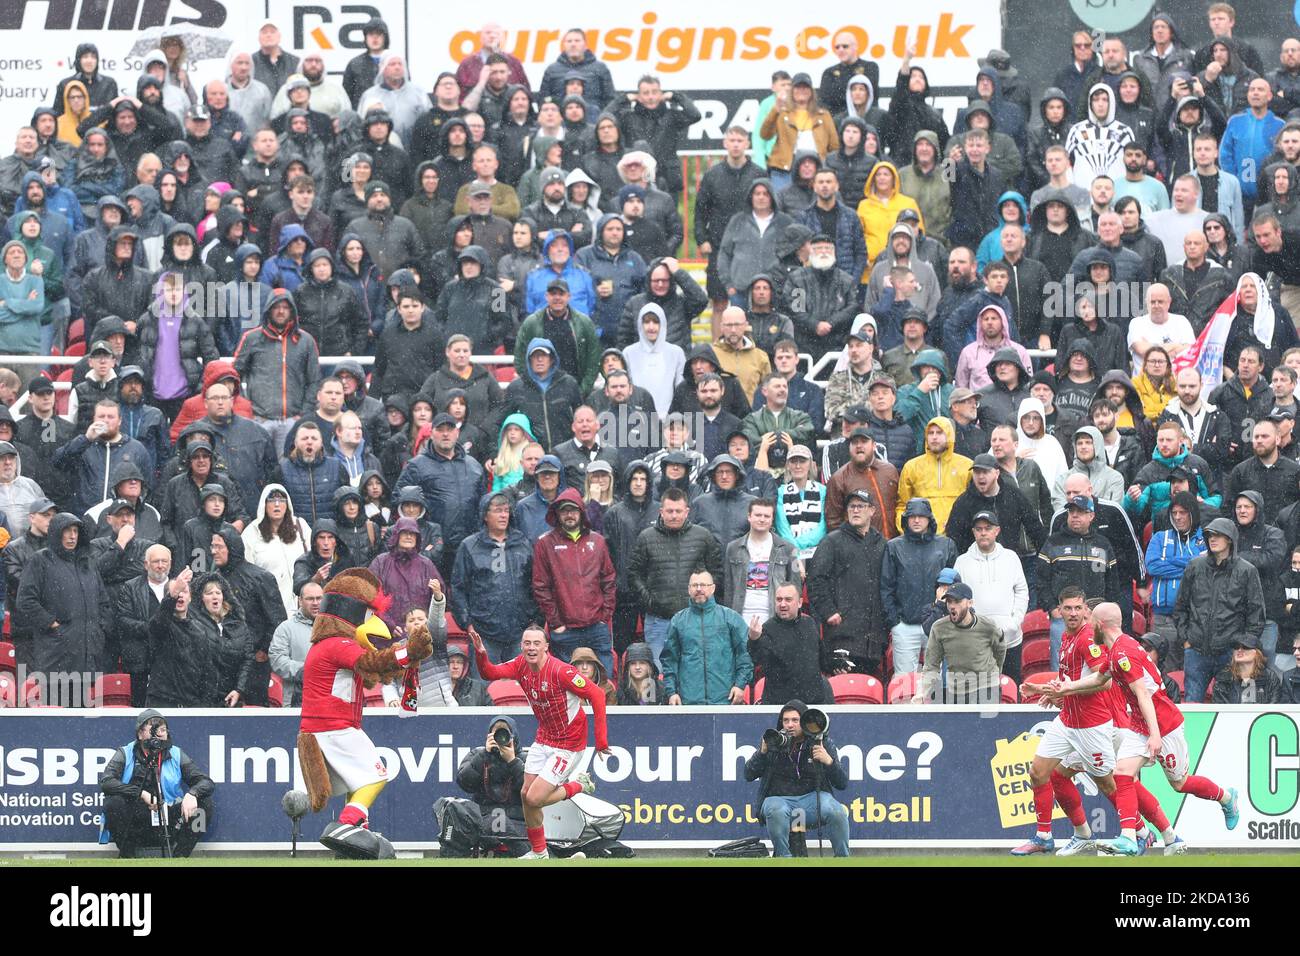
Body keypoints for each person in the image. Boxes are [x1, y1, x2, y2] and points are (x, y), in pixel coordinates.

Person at [471, 625, 609, 860]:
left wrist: (601, 740)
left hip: (568, 744)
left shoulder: (561, 672)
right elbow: (489, 673)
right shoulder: (520, 665)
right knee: (526, 795)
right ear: (521, 646)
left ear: (546, 646)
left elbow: (596, 694)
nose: (531, 648)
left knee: (535, 798)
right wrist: (481, 652)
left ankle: (578, 785)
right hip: (544, 738)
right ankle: (539, 853)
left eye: (536, 643)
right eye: (527, 643)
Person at [1011, 589, 1121, 856]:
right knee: (1039, 772)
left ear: (1086, 610)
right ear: (1058, 610)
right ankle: (1046, 836)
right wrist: (1049, 693)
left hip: (1091, 725)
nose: (1073, 613)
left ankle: (1139, 831)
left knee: (1109, 784)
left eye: (1078, 608)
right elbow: (1067, 683)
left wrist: (1062, 692)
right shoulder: (1065, 637)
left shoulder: (1087, 640)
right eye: (1067, 608)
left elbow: (1102, 682)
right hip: (1067, 719)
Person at [98, 710, 214, 859]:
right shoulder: (125, 753)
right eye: (153, 730)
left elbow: (206, 782)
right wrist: (141, 793)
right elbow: (106, 782)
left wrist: (193, 794)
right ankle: (129, 858)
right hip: (136, 819)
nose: (159, 734)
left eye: (162, 730)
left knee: (205, 803)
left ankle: (180, 857)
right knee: (113, 803)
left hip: (169, 816)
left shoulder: (176, 753)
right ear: (140, 734)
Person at [628, 488, 723, 667]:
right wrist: (650, 601)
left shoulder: (703, 537)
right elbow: (634, 574)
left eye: (678, 511)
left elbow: (716, 572)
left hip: (696, 619)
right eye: (669, 511)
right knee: (658, 671)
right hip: (658, 620)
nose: (674, 515)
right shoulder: (646, 537)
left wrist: (704, 599)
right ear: (661, 511)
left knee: (694, 669)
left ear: (687, 512)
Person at [744, 699, 851, 858]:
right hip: (780, 800)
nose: (790, 725)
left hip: (813, 801)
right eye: (786, 720)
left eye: (795, 720)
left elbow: (842, 783)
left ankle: (843, 859)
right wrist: (762, 752)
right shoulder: (774, 740)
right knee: (775, 809)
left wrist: (828, 761)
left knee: (837, 811)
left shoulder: (821, 742)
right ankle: (784, 858)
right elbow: (748, 775)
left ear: (805, 721)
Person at [530, 488, 616, 672]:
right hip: (565, 630)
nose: (569, 515)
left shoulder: (598, 541)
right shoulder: (545, 544)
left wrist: (604, 616)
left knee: (604, 685)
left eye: (573, 510)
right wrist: (556, 623)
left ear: (581, 512)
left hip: (596, 627)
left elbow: (608, 580)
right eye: (564, 511)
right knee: (568, 688)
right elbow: (540, 587)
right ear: (557, 514)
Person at [808, 489, 887, 674]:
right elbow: (815, 580)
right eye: (852, 506)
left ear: (872, 511)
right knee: (842, 692)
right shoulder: (832, 541)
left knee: (867, 694)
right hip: (840, 635)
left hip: (872, 641)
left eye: (861, 506)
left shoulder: (882, 544)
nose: (856, 510)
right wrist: (829, 612)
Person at [882, 498, 958, 674]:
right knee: (904, 685)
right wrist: (895, 622)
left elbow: (955, 586)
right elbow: (886, 586)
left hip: (939, 623)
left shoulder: (946, 545)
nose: (916, 520)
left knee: (938, 683)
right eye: (912, 516)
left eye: (921, 516)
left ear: (929, 519)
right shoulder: (893, 547)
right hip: (905, 626)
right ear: (905, 519)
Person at [915, 581, 1005, 704]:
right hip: (956, 689)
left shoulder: (988, 626)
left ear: (970, 603)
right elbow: (931, 666)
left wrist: (995, 673)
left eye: (957, 601)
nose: (952, 606)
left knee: (984, 720)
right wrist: (922, 693)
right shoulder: (939, 628)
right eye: (949, 601)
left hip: (986, 687)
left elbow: (1000, 649)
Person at [268, 580, 321, 706]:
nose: (315, 603)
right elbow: (277, 659)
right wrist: (305, 671)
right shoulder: (286, 628)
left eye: (319, 598)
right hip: (297, 701)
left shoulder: (334, 628)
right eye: (310, 599)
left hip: (327, 701)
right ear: (300, 601)